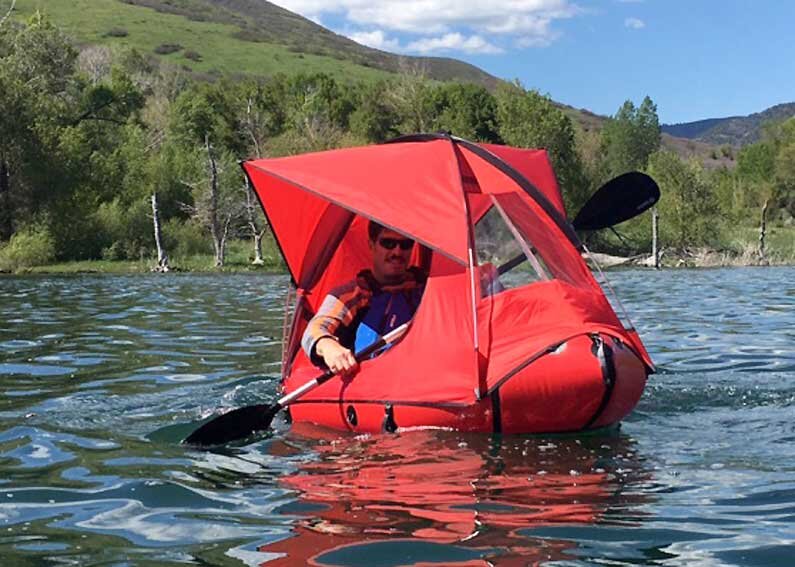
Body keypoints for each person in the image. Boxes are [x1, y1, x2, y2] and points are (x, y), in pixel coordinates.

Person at [301, 221, 426, 376]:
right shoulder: (352, 294)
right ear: (372, 245)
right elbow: (315, 330)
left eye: (405, 244)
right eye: (388, 243)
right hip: (369, 384)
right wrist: (328, 346)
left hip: (418, 379)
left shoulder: (427, 291)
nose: (397, 252)